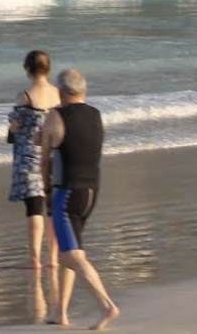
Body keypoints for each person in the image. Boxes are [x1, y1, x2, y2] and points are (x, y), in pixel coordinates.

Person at [43, 70, 120, 331]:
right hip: (91, 190)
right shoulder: (95, 114)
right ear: (83, 91)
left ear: (61, 92)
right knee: (72, 249)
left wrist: (46, 191)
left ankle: (106, 305)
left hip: (66, 193)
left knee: (70, 256)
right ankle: (60, 313)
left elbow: (44, 159)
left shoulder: (55, 115)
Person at [8, 51, 61, 321]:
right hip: (52, 154)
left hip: (29, 155)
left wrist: (14, 129)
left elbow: (14, 129)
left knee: (34, 207)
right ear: (48, 69)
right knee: (50, 207)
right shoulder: (58, 95)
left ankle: (34, 259)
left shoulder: (24, 97)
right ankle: (52, 257)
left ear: (28, 69)